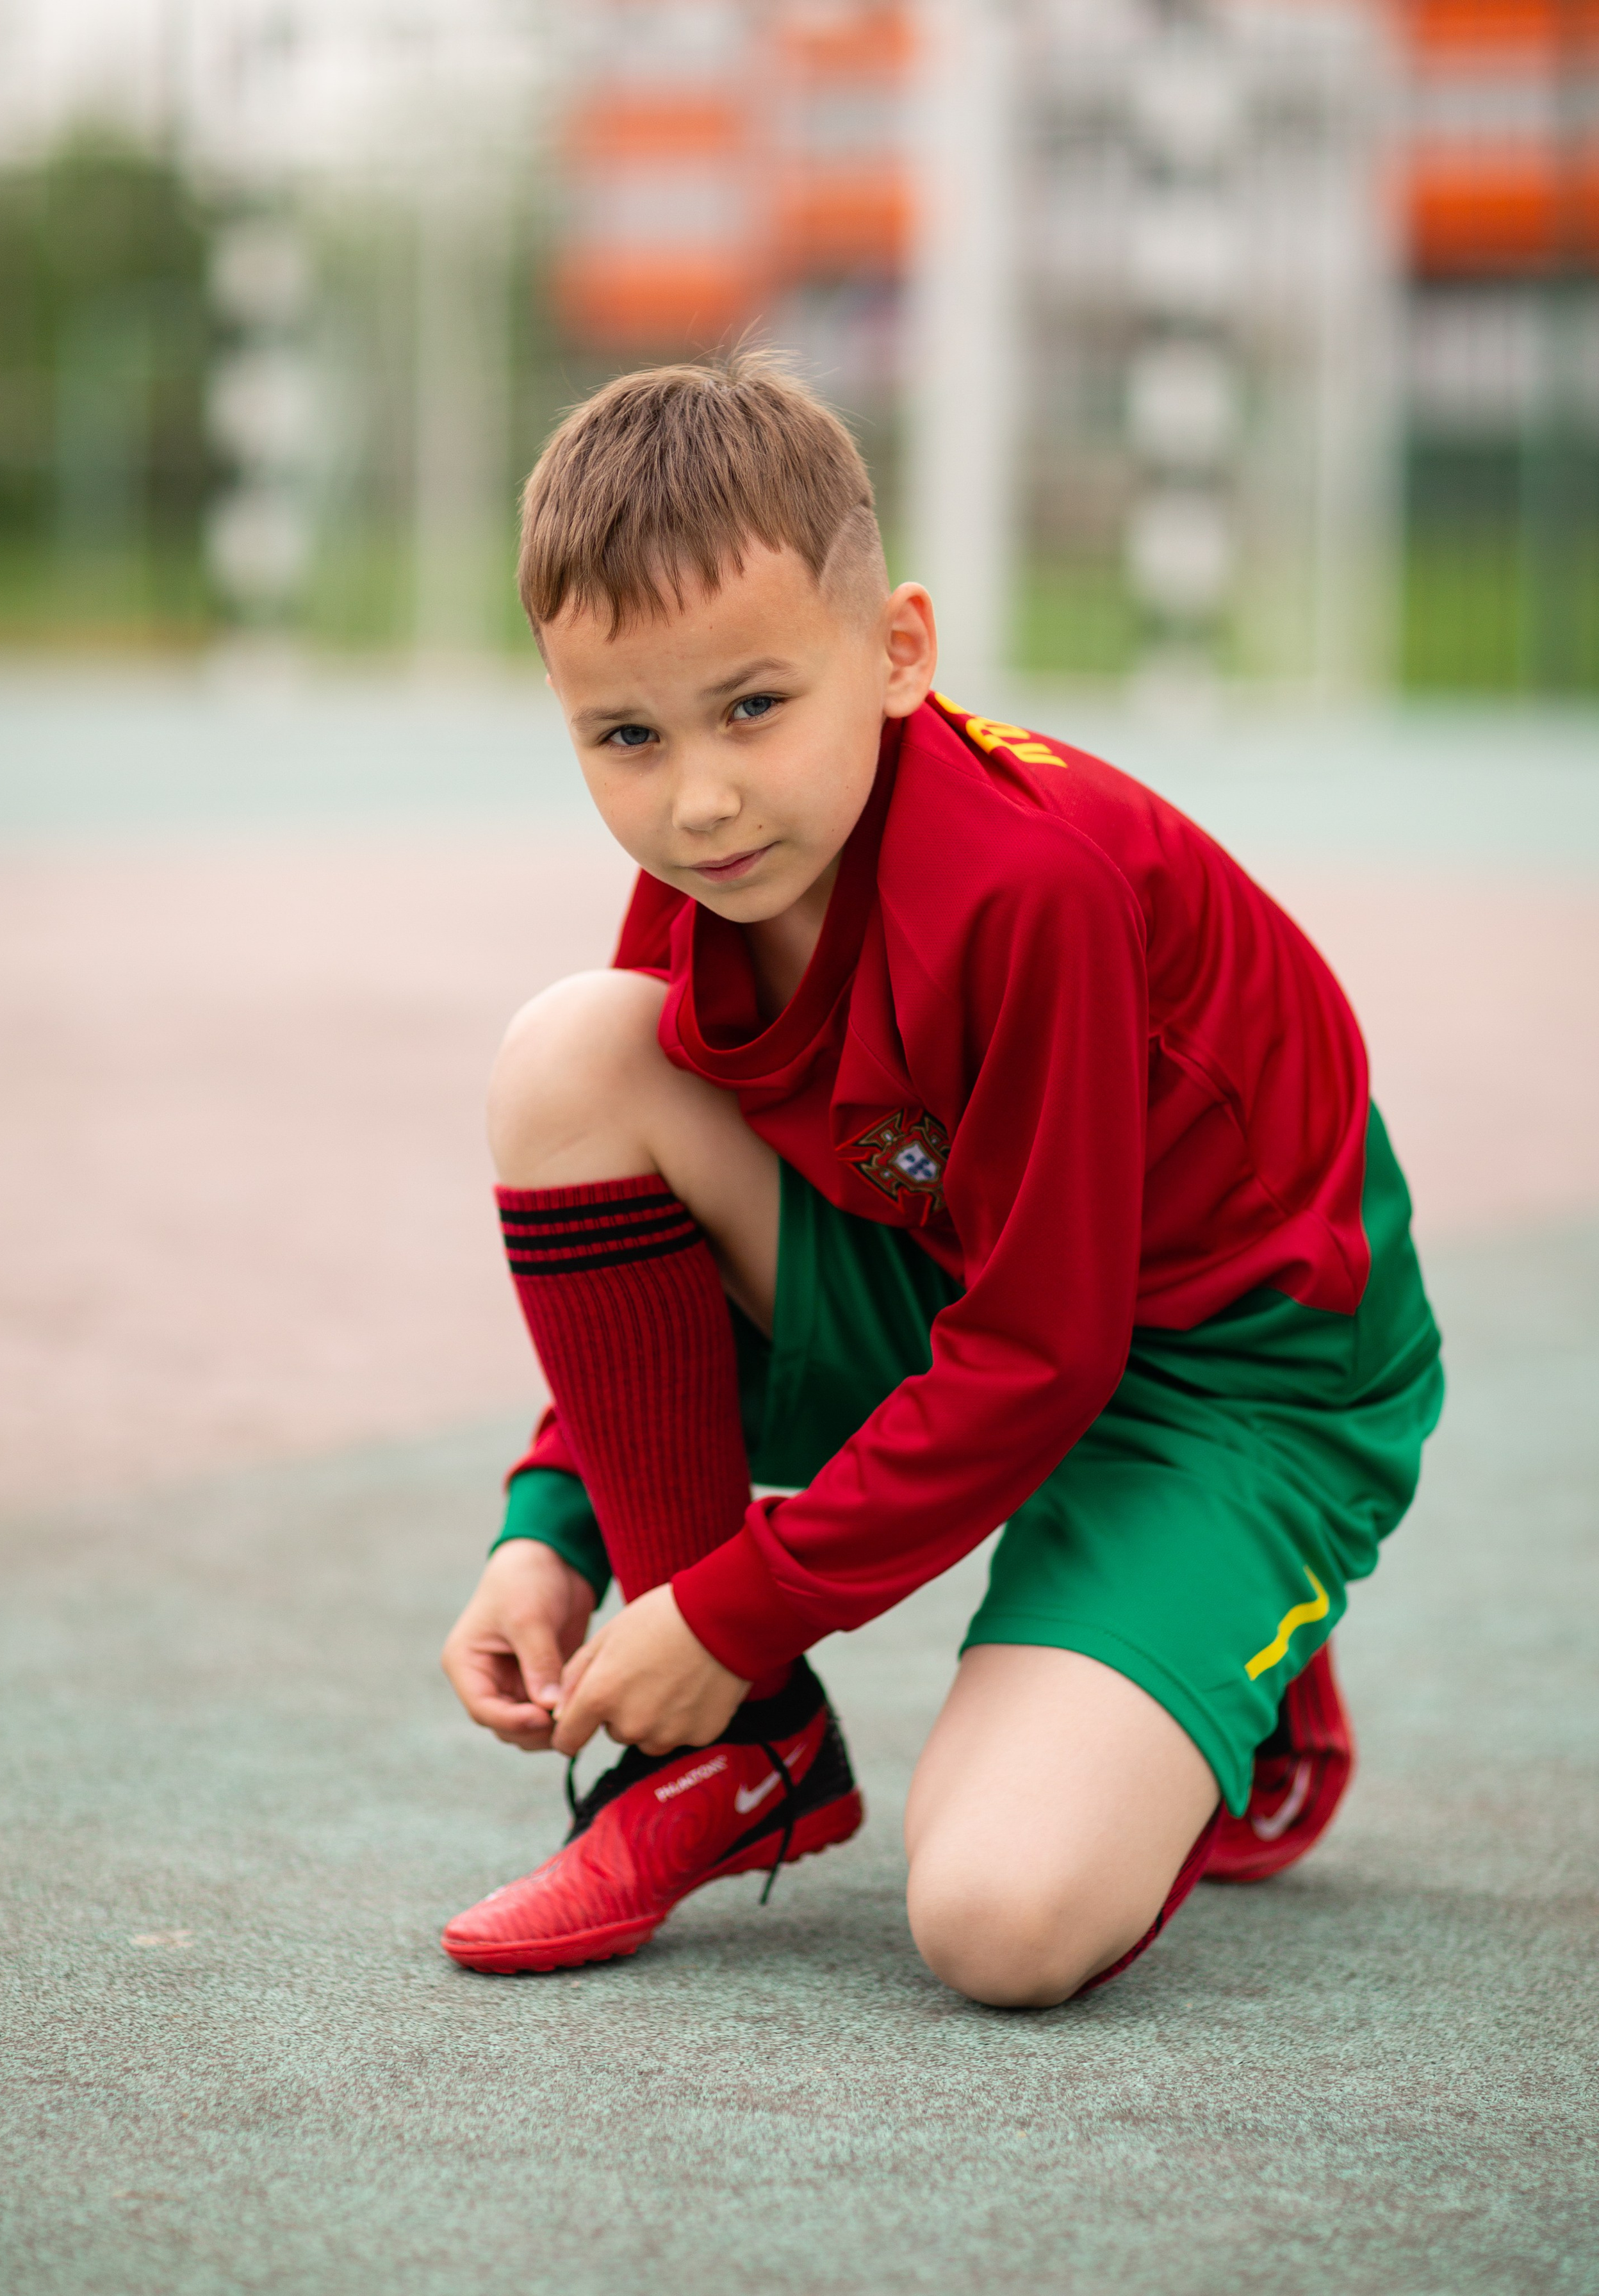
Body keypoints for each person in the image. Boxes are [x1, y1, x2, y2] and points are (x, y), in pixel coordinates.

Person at [438, 350, 1444, 2006]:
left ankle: (1225, 1626)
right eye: (627, 734)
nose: (700, 797)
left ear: (899, 650)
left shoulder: (1030, 888)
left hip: (1230, 1378)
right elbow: (666, 1247)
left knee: (1000, 1928)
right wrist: (552, 1532)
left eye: (754, 706)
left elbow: (1051, 1355)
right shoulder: (721, 872)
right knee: (575, 1054)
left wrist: (734, 1610)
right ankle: (739, 1758)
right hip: (970, 1277)